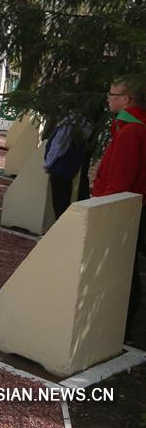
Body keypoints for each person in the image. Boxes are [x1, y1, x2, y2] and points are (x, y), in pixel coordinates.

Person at [91, 77, 146, 344]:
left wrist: (101, 212)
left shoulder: (130, 131)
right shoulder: (129, 126)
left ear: (127, 100)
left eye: (112, 95)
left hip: (121, 213)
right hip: (131, 210)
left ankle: (120, 329)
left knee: (123, 271)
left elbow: (119, 182)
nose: (108, 98)